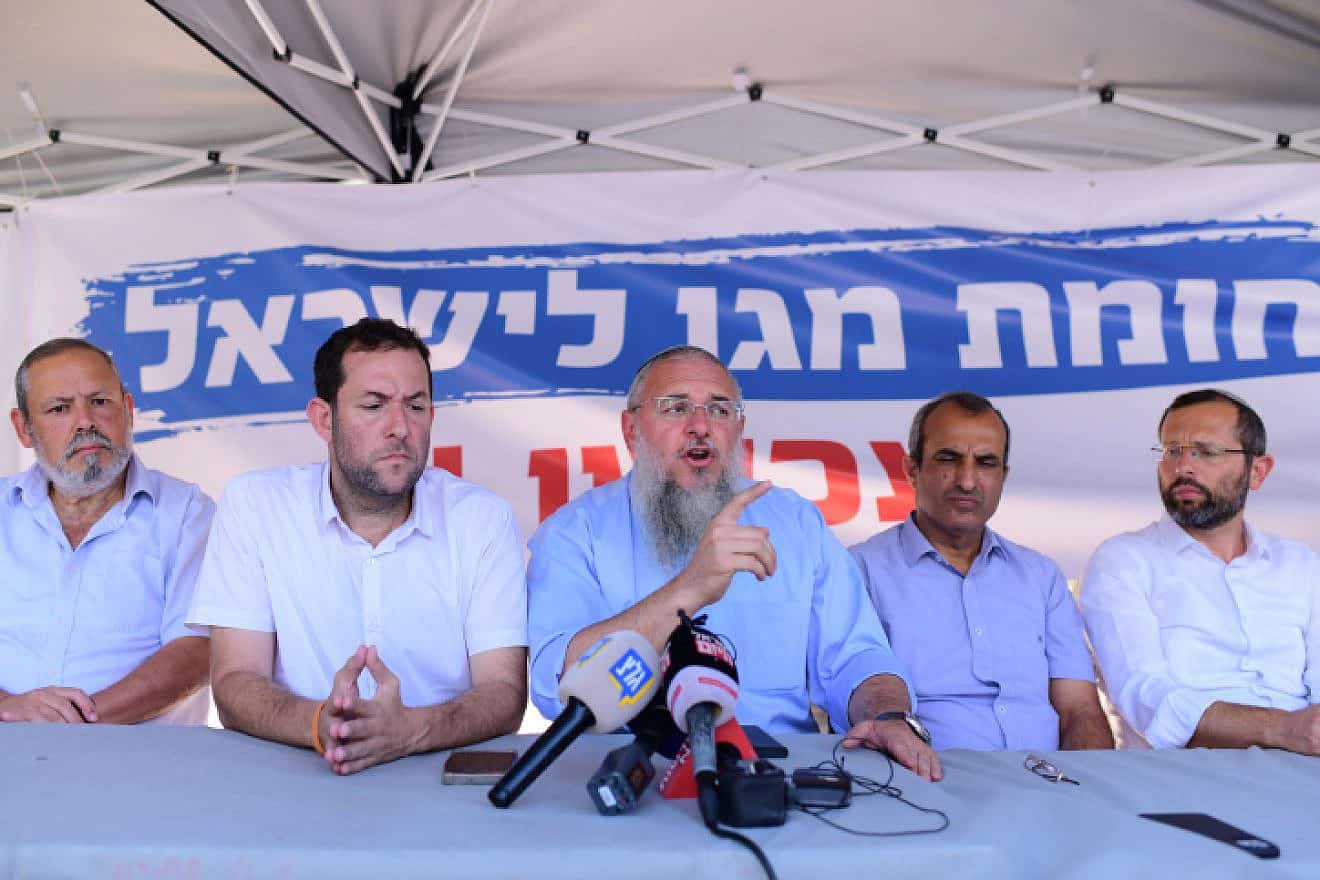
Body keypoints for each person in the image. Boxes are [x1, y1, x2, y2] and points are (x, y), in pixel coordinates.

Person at [527, 345, 941, 781]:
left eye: (720, 410)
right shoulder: (576, 532)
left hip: (774, 773)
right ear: (631, 430)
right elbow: (556, 686)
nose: (701, 426)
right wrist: (689, 589)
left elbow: (857, 656)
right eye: (676, 407)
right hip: (626, 775)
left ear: (738, 428)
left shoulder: (794, 523)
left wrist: (889, 715)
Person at [189, 318, 527, 775]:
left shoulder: (481, 520)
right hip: (293, 775)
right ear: (324, 419)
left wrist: (410, 731)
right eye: (374, 405)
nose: (400, 428)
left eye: (416, 406)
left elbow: (505, 694)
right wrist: (319, 723)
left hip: (438, 782)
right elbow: (232, 682)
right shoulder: (256, 506)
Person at [850, 392, 1112, 751]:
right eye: (948, 459)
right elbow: (858, 700)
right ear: (912, 470)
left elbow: (1080, 709)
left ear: (1003, 476)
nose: (968, 481)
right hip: (925, 788)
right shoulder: (861, 570)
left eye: (986, 463)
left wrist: (1086, 791)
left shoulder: (1040, 577)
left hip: (1048, 788)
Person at [1081, 388, 1320, 752]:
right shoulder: (1124, 561)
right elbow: (1146, 699)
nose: (1183, 467)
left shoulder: (1302, 565)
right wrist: (1282, 728)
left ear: (1257, 470)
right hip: (1183, 776)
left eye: (1206, 452)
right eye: (1172, 451)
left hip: (1303, 768)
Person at [1, 338, 212, 724]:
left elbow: (197, 650)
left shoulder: (186, 513)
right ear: (24, 428)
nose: (85, 422)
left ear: (128, 411)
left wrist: (78, 722)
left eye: (100, 402)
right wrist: (7, 708)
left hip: (137, 766)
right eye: (59, 409)